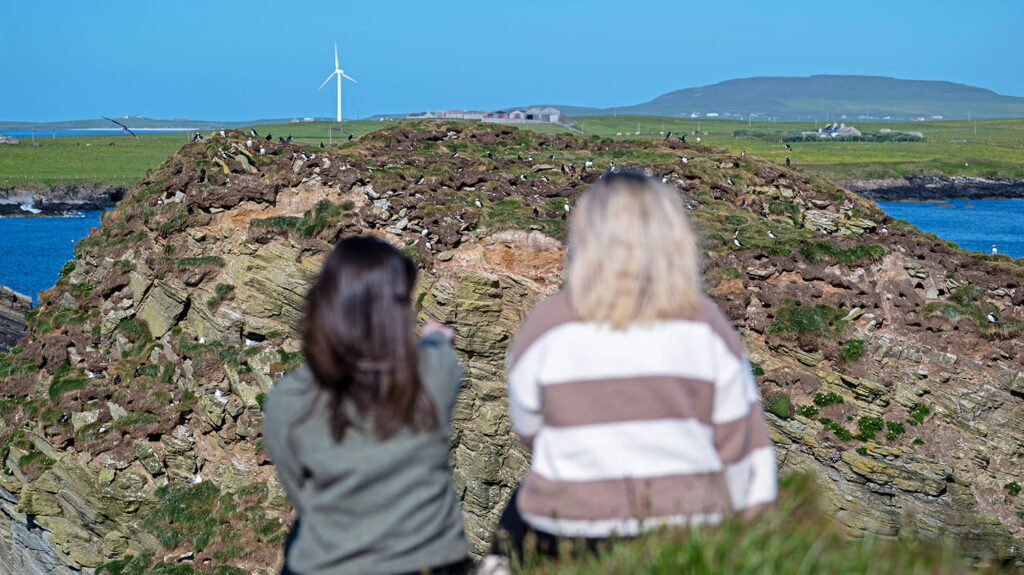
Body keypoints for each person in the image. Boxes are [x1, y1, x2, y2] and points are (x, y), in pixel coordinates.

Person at [482, 171, 778, 571]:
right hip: (685, 530)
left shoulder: (547, 323)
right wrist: (751, 539)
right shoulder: (707, 325)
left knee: (513, 525)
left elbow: (528, 430)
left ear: (585, 239)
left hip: (570, 529)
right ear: (675, 239)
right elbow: (743, 447)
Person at [263, 235, 470, 575]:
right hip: (432, 562)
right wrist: (435, 337)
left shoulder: (288, 401)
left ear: (324, 306)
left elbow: (301, 496)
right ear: (398, 313)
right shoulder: (436, 373)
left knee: (299, 534)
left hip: (331, 565)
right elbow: (435, 346)